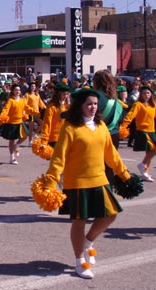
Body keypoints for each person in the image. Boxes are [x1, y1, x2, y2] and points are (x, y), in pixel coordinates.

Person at [41, 88, 133, 279]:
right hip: (77, 181)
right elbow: (59, 157)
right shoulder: (70, 127)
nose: (93, 107)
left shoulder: (101, 127)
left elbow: (111, 154)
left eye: (95, 104)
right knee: (79, 221)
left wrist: (125, 175)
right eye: (89, 104)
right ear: (80, 106)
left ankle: (88, 242)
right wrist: (51, 182)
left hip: (99, 179)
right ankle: (79, 260)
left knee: (111, 215)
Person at [121, 85, 156, 182]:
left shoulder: (154, 106)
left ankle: (145, 172)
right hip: (143, 131)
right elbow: (130, 116)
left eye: (148, 93)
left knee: (149, 152)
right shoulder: (138, 105)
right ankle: (142, 165)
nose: (146, 95)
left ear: (151, 95)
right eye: (144, 93)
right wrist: (124, 126)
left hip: (152, 131)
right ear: (141, 94)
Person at [0, 84, 37, 164]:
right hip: (11, 123)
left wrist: (36, 112)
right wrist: (3, 115)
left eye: (19, 90)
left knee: (25, 136)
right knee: (11, 140)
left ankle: (16, 146)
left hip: (20, 122)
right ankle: (12, 157)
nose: (17, 92)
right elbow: (6, 109)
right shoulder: (10, 100)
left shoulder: (22, 100)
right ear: (12, 91)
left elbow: (27, 108)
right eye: (16, 90)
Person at [40, 83, 71, 148]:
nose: (65, 96)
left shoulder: (67, 107)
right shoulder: (52, 107)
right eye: (63, 94)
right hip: (54, 139)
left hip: (65, 137)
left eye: (67, 94)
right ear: (58, 94)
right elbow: (47, 124)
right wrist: (44, 140)